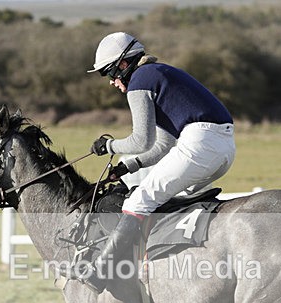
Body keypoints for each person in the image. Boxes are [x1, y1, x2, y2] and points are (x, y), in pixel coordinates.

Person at [86, 31, 235, 287]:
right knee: (162, 199)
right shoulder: (157, 75)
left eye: (109, 74)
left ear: (123, 65)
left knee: (138, 201)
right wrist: (127, 167)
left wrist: (108, 146)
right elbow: (162, 145)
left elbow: (140, 141)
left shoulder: (140, 80)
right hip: (222, 148)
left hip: (200, 144)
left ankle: (102, 271)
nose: (111, 82)